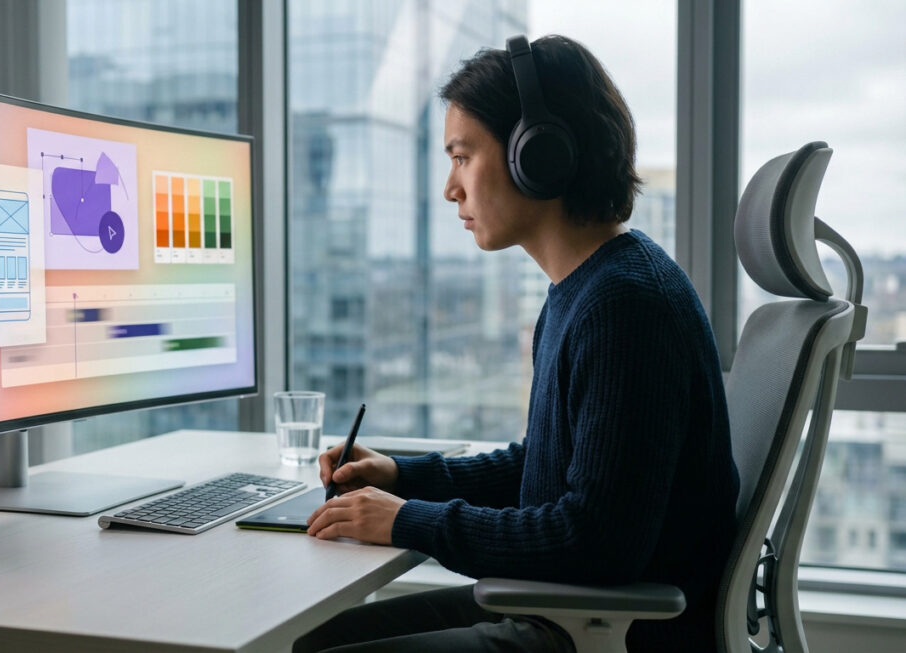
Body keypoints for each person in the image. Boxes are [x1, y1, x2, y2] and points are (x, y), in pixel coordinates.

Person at [294, 34, 740, 653]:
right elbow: (545, 468)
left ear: (540, 154)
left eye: (461, 156)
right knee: (312, 638)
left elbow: (595, 539)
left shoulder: (626, 306)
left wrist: (407, 520)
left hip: (608, 628)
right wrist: (403, 477)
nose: (451, 188)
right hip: (576, 611)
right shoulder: (586, 288)